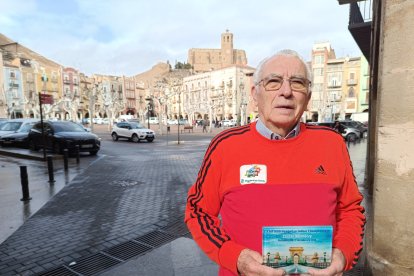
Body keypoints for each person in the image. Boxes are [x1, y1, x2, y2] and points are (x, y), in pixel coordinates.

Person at [185, 49, 365, 276]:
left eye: (297, 82)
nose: (286, 91)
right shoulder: (225, 146)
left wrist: (343, 253)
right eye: (273, 82)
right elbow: (198, 212)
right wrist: (235, 257)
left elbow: (350, 210)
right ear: (255, 94)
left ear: (308, 97)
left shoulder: (332, 144)